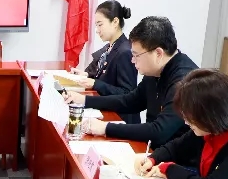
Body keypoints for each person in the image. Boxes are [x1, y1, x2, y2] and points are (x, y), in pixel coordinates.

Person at [65, 15, 197, 146]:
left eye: (136, 55)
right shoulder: (155, 70)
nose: (133, 60)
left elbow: (159, 131)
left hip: (176, 156)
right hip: (154, 151)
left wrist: (105, 128)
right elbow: (130, 101)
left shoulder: (184, 82)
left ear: (158, 53)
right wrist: (84, 100)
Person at [69, 0, 139, 123]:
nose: (97, 30)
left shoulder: (125, 52)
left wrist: (95, 83)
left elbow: (127, 93)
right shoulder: (109, 47)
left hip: (120, 118)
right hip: (106, 109)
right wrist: (87, 75)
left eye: (100, 25)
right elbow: (104, 75)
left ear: (115, 22)